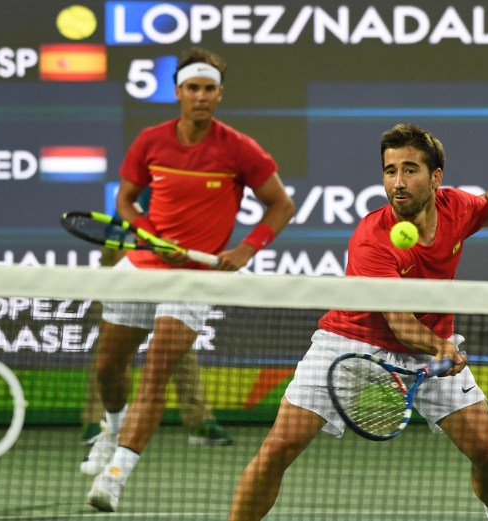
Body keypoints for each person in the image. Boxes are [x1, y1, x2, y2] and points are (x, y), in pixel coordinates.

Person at [228, 123, 488, 521]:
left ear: (436, 177)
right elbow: (401, 324)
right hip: (350, 344)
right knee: (278, 447)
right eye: (390, 171)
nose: (398, 183)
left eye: (410, 169)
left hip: (428, 348)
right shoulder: (372, 238)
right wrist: (442, 347)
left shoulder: (455, 208)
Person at [84, 46, 295, 512]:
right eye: (192, 88)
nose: (200, 96)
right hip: (142, 267)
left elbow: (281, 204)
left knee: (156, 370)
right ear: (178, 92)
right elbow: (127, 199)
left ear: (219, 95)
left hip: (193, 277)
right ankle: (112, 428)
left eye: (209, 89)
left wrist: (246, 248)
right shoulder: (151, 141)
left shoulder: (240, 148)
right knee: (107, 366)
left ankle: (116, 474)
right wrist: (144, 234)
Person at [80, 187, 232, 448]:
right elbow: (119, 246)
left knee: (174, 340)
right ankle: (99, 419)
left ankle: (199, 420)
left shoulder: (201, 190)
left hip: (172, 259)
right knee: (112, 349)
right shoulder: (148, 184)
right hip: (128, 260)